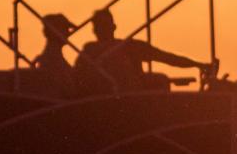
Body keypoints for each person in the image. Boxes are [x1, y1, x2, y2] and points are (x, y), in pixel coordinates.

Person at [73, 7, 217, 95]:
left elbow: (167, 58)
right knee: (160, 79)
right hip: (126, 102)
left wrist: (196, 64)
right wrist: (198, 65)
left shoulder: (127, 46)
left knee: (159, 79)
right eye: (100, 26)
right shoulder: (92, 50)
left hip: (118, 101)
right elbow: (167, 58)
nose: (101, 29)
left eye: (102, 25)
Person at [28, 12, 75, 97]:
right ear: (55, 32)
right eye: (65, 29)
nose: (68, 33)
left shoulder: (51, 56)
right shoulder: (51, 58)